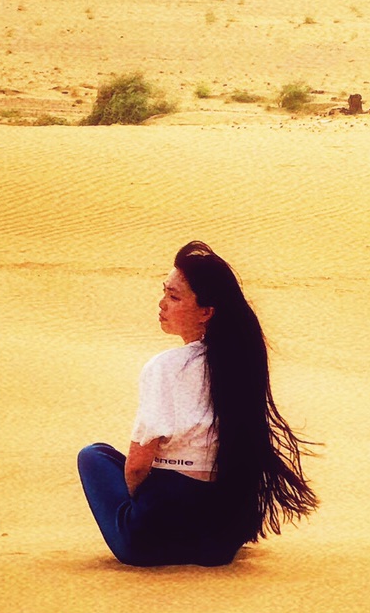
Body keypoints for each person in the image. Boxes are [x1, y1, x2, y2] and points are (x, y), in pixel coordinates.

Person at [77, 240, 318, 567]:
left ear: (206, 312)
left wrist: (148, 511)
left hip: (149, 543)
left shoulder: (164, 368)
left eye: (174, 297)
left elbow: (136, 466)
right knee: (108, 457)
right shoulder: (242, 366)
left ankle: (148, 527)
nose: (162, 303)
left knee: (93, 456)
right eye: (164, 291)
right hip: (219, 543)